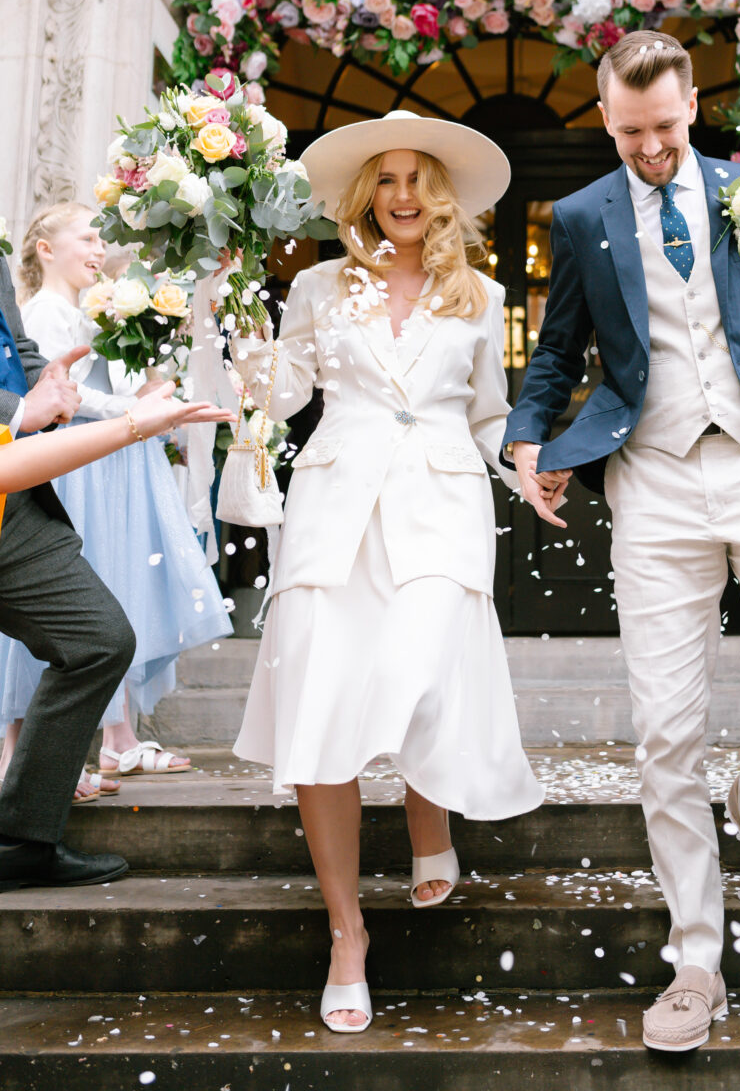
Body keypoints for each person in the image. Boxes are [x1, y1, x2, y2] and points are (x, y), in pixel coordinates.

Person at [503, 31, 740, 1053]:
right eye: (628, 133)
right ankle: (695, 958)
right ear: (604, 119)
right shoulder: (582, 216)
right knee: (664, 729)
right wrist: (528, 435)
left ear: (690, 105)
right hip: (654, 476)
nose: (649, 149)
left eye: (664, 128)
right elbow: (558, 345)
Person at [229, 110, 544, 1035]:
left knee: (428, 667)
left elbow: (490, 415)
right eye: (386, 180)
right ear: (365, 195)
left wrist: (522, 464)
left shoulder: (479, 295)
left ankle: (429, 826)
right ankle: (346, 931)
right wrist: (239, 321)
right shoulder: (322, 285)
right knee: (322, 706)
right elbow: (279, 397)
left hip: (442, 505)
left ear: (440, 195)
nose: (402, 196)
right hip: (334, 506)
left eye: (417, 180)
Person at [0, 242, 233, 892]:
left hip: (15, 507)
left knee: (100, 639)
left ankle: (24, 838)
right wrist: (120, 422)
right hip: (10, 467)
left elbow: (16, 347)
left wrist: (45, 385)